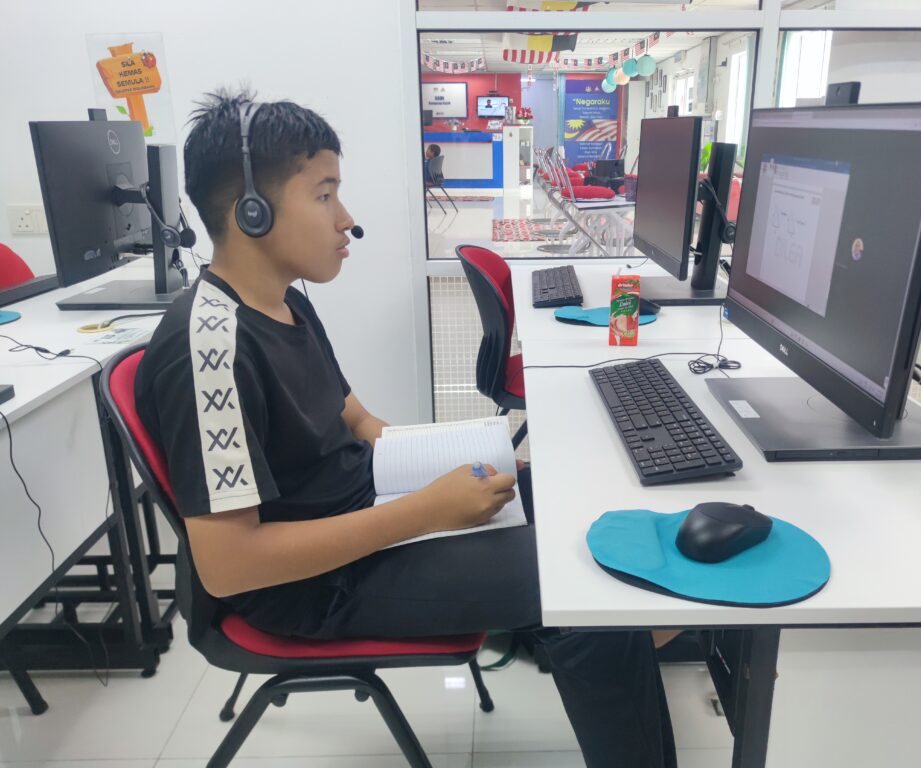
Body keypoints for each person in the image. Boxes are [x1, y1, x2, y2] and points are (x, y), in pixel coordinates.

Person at [135, 88, 677, 768]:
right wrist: (427, 510)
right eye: (325, 195)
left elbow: (357, 420)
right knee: (586, 584)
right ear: (252, 210)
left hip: (365, 512)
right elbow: (228, 566)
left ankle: (625, 637)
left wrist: (445, 464)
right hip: (311, 586)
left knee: (571, 497)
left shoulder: (285, 304)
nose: (347, 219)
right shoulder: (209, 349)